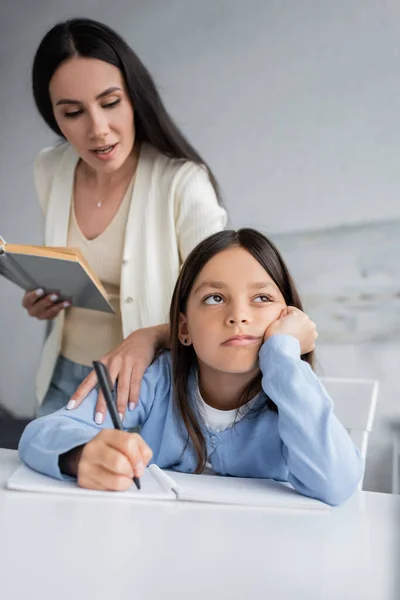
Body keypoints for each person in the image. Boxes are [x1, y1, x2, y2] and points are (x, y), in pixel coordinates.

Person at [19, 229, 364, 506]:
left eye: (262, 298)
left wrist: (283, 356)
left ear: (288, 318)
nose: (238, 316)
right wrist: (80, 455)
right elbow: (42, 433)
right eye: (215, 298)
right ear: (183, 329)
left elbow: (337, 484)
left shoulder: (293, 394)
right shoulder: (157, 381)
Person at [23, 18, 228, 419]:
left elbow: (219, 305)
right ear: (54, 117)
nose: (97, 129)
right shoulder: (50, 169)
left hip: (145, 384)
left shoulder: (182, 182)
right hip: (64, 374)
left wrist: (151, 336)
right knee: (36, 466)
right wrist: (46, 298)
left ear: (135, 96)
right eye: (73, 112)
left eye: (110, 102)